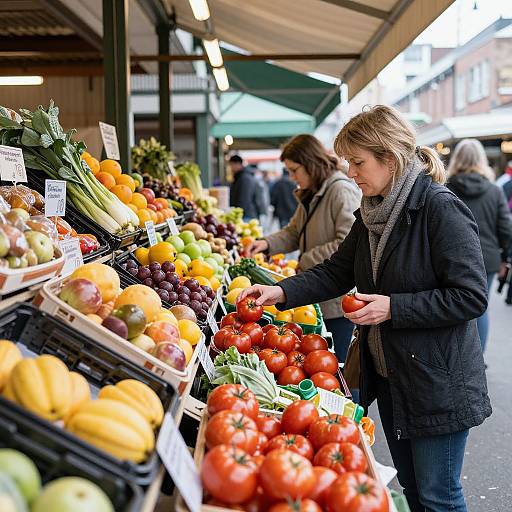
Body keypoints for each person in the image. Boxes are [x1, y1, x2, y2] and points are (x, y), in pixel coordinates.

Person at [239, 106, 491, 512]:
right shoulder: (371, 212)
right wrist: (279, 292)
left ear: (389, 159)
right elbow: (337, 272)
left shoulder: (439, 208)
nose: (351, 173)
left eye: (358, 162)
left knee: (438, 496)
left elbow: (471, 296)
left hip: (435, 381)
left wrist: (394, 308)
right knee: (411, 489)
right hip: (392, 375)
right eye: (348, 163)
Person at [246, 134, 361, 363]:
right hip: (319, 292)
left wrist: (307, 259)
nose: (291, 177)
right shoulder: (313, 193)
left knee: (339, 365)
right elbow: (294, 231)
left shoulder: (340, 191)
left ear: (310, 162)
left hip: (336, 301)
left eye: (294, 170)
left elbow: (349, 243)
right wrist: (267, 244)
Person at [447, 139, 512, 350]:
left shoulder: (446, 188)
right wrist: (506, 258)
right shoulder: (494, 190)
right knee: (480, 308)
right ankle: (478, 358)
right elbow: (505, 229)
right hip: (488, 259)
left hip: (451, 257)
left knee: (453, 307)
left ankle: (458, 357)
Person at [229, 155, 262, 221]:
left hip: (247, 215)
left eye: (232, 165)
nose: (231, 168)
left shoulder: (244, 178)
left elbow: (244, 199)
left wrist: (238, 215)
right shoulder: (240, 177)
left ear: (238, 164)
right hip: (246, 214)